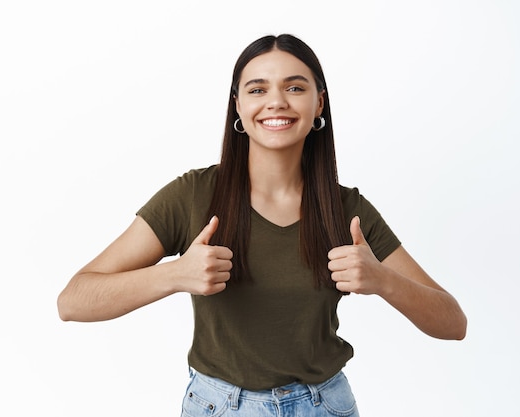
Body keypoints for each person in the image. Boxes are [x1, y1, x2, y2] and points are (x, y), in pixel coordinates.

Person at [57, 33, 467, 416]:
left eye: (294, 87)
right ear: (237, 105)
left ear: (319, 103)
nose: (276, 102)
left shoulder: (348, 209)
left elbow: (453, 323)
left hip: (323, 405)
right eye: (257, 89)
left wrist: (382, 279)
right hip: (219, 405)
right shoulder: (191, 195)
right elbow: (73, 300)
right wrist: (174, 275)